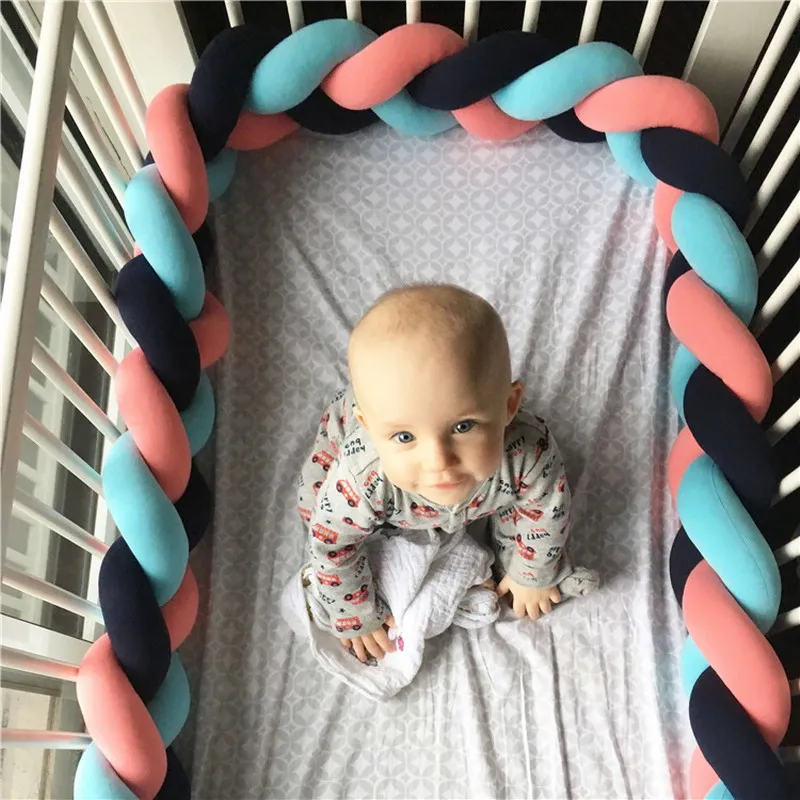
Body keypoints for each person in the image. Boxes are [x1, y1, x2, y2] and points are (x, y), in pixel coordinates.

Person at [297, 284, 597, 663]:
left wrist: (531, 573)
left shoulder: (527, 451)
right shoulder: (361, 478)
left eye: (463, 426)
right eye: (404, 436)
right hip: (366, 483)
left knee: (521, 517)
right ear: (370, 429)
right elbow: (333, 544)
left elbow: (546, 508)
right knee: (313, 508)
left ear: (509, 405)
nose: (439, 461)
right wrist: (353, 612)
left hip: (488, 488)